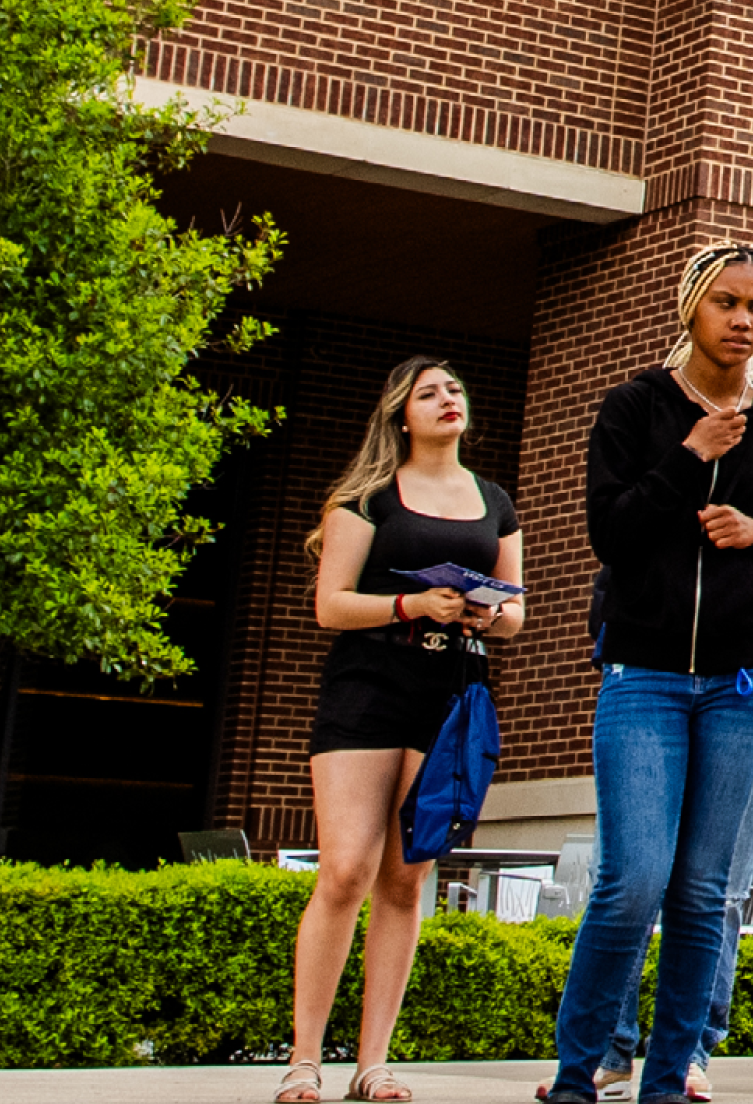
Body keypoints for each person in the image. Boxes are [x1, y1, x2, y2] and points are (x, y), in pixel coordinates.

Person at [546, 246, 753, 1104]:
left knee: (707, 891)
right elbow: (610, 533)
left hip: (747, 685)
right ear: (690, 309)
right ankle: (576, 1073)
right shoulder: (636, 406)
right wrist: (687, 454)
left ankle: (670, 1078)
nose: (744, 320)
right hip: (647, 678)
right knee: (631, 881)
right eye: (727, 303)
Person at [292, 357, 530, 1104]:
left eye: (455, 389)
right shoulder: (365, 499)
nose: (447, 399)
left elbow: (517, 611)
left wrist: (488, 613)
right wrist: (409, 606)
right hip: (368, 688)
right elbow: (331, 605)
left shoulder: (496, 502)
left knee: (408, 875)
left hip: (452, 691)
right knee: (345, 871)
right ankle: (305, 1061)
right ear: (401, 415)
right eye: (429, 393)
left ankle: (374, 1065)